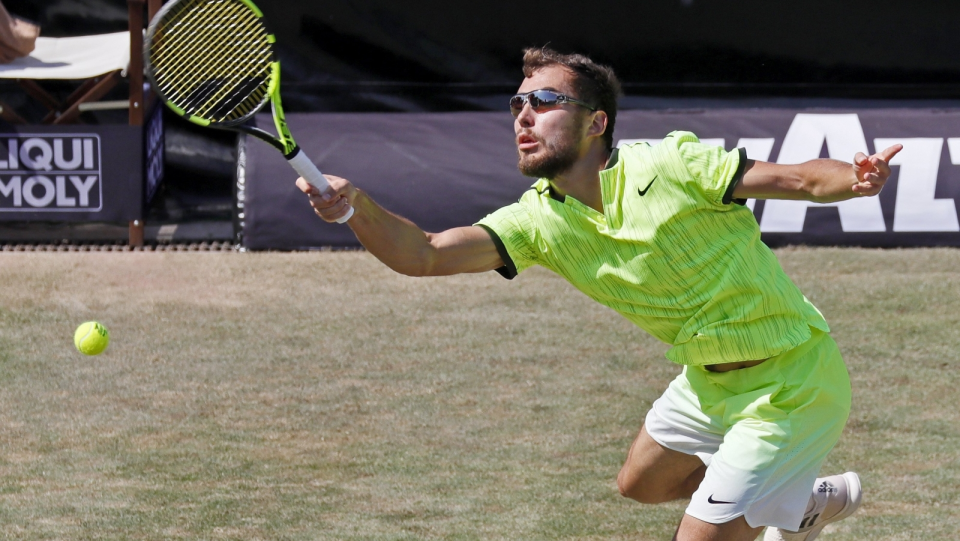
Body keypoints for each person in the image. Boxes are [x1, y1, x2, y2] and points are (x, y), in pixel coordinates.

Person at [297, 47, 900, 541]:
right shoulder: (537, 222)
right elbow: (424, 254)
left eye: (545, 101)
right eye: (517, 103)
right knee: (641, 485)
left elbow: (799, 179)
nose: (523, 116)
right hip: (707, 379)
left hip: (790, 383)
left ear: (596, 121)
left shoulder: (671, 165)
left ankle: (774, 497)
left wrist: (857, 178)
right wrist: (359, 209)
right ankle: (797, 504)